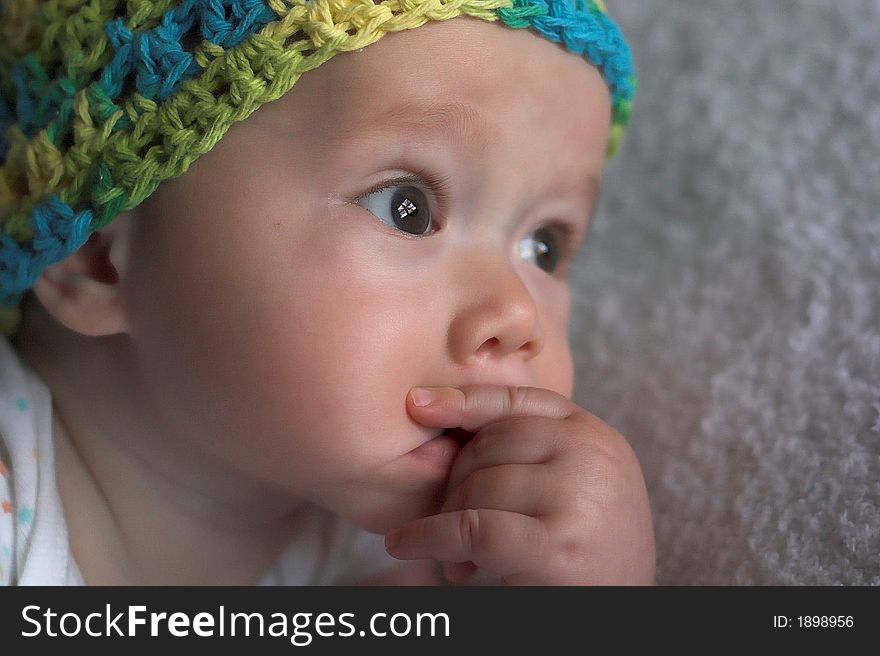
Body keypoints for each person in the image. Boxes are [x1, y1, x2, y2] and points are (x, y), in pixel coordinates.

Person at [0, 0, 653, 585]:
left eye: (545, 247)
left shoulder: (400, 553)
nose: (516, 315)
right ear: (97, 257)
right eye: (407, 208)